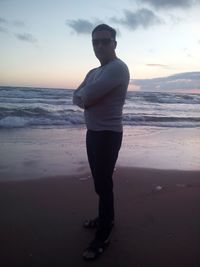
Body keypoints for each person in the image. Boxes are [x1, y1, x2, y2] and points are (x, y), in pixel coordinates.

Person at [73, 24, 130, 260]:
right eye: (95, 42)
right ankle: (106, 218)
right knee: (99, 182)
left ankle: (104, 233)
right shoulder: (93, 72)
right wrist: (85, 98)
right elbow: (77, 95)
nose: (99, 46)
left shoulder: (117, 69)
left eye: (104, 41)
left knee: (103, 184)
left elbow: (86, 97)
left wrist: (85, 98)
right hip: (93, 132)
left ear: (114, 43)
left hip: (108, 134)